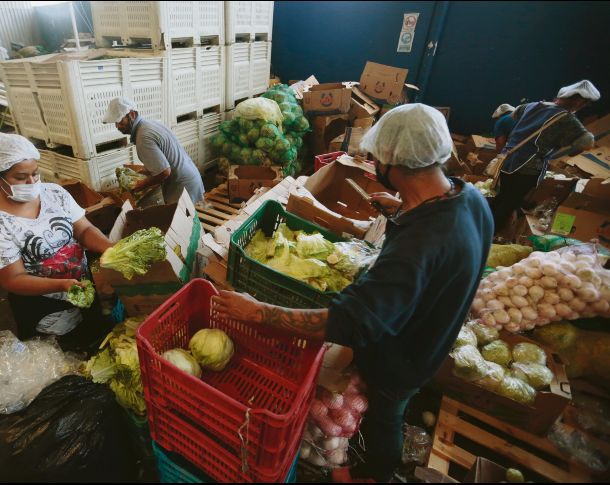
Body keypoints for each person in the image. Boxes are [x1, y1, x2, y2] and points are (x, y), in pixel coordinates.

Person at [211, 104, 494, 482]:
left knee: (385, 417)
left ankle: (374, 474)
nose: (374, 164)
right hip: (433, 334)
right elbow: (439, 255)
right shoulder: (469, 198)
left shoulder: (417, 246)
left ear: (394, 163)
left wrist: (257, 311)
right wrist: (402, 208)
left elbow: (349, 322)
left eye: (377, 158)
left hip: (405, 357)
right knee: (390, 406)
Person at [0, 132, 115, 350]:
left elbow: (84, 229)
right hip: (46, 304)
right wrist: (61, 285)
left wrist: (110, 248)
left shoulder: (54, 193)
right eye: (21, 177)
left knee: (97, 334)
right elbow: (13, 279)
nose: (31, 182)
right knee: (68, 350)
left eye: (35, 173)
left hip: (82, 285)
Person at [492, 80, 599, 236]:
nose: (583, 106)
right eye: (584, 103)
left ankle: (482, 226)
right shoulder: (567, 119)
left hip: (508, 159)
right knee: (510, 203)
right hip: (529, 166)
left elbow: (514, 115)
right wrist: (571, 152)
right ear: (578, 101)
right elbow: (587, 142)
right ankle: (488, 235)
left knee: (502, 197)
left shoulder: (533, 105)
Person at [103, 97, 205, 204]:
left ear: (132, 114)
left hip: (182, 188)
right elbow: (165, 158)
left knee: (183, 215)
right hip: (191, 179)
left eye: (120, 120)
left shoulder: (143, 137)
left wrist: (142, 185)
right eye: (115, 122)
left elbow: (164, 172)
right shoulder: (149, 124)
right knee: (191, 214)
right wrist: (145, 171)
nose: (117, 126)